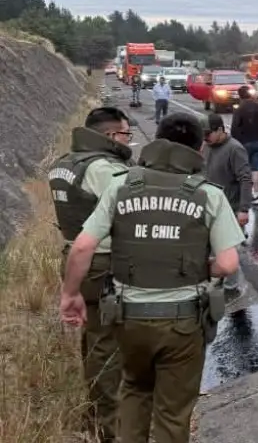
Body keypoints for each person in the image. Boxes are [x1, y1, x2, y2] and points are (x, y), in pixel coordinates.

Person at [59, 112, 243, 443]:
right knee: (173, 413)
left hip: (128, 318)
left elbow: (83, 246)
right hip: (183, 324)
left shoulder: (121, 185)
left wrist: (70, 294)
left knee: (134, 391)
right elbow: (229, 264)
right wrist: (201, 269)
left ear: (156, 140)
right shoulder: (208, 194)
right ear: (198, 148)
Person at [47, 106, 134, 443]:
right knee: (109, 347)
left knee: (94, 339)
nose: (129, 141)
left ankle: (94, 414)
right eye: (126, 134)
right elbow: (134, 211)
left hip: (75, 260)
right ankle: (108, 426)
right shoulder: (104, 169)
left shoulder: (65, 164)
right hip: (103, 263)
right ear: (111, 136)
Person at [202, 113, 253, 305]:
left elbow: (245, 179)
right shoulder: (208, 147)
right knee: (213, 248)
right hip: (211, 207)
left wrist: (244, 209)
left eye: (208, 134)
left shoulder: (235, 149)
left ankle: (232, 288)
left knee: (228, 249)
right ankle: (221, 279)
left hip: (230, 209)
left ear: (220, 130)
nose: (205, 138)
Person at [231, 85, 258, 206]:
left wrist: (236, 143)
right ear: (250, 94)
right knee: (255, 169)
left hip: (244, 143)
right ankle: (256, 195)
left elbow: (235, 128)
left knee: (243, 170)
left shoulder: (239, 109)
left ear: (240, 95)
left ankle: (244, 196)